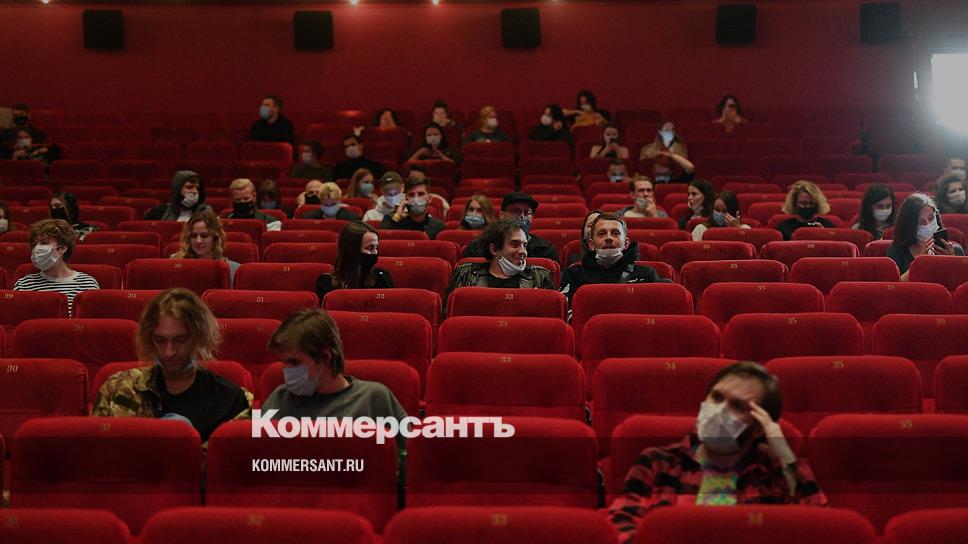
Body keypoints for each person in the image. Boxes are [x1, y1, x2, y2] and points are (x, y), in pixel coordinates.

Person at [607, 361, 828, 544]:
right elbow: (621, 526)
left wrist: (785, 456)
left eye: (738, 406)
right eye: (717, 397)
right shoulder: (658, 462)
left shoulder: (774, 474)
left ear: (758, 427)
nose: (719, 411)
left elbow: (821, 530)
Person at [92, 288, 253, 443]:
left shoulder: (236, 400)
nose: (169, 352)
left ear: (199, 337)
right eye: (160, 340)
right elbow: (96, 454)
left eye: (180, 340)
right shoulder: (117, 389)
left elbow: (254, 457)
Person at [262, 308, 408, 444]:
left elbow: (408, 455)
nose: (286, 370)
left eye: (294, 362)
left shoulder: (374, 398)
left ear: (325, 357)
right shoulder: (279, 400)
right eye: (284, 362)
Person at [559, 213, 665, 308]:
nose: (608, 238)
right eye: (602, 234)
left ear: (626, 243)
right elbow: (568, 313)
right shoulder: (574, 275)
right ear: (591, 244)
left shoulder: (646, 274)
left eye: (615, 233)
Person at [445, 219, 556, 305]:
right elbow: (451, 314)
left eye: (525, 245)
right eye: (515, 245)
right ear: (494, 249)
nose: (523, 251)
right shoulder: (466, 275)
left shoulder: (540, 277)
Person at [14, 219, 99, 316]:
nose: (37, 248)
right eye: (34, 244)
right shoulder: (24, 285)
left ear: (62, 248)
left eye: (44, 242)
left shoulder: (88, 284)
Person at [460, 192, 559, 262]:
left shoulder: (545, 250)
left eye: (527, 212)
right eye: (515, 211)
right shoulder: (477, 247)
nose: (522, 216)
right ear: (502, 215)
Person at [888, 193, 963, 280]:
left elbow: (962, 283)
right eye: (920, 222)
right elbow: (896, 284)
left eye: (931, 218)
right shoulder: (897, 251)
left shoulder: (956, 250)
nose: (927, 224)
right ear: (909, 225)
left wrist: (953, 262)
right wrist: (920, 262)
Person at [315, 221, 393, 301]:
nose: (375, 252)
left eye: (376, 247)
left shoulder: (382, 278)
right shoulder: (326, 282)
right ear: (352, 251)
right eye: (369, 248)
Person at [171, 209, 241, 288]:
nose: (198, 241)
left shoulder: (232, 269)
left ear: (215, 238)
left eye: (204, 236)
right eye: (193, 236)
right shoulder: (175, 263)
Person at [381, 177, 446, 239]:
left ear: (429, 199)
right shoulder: (392, 221)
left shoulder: (438, 226)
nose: (416, 199)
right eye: (411, 195)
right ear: (406, 199)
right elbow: (384, 239)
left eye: (421, 194)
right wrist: (397, 216)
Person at [144, 170, 213, 221]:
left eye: (197, 188)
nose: (195, 191)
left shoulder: (206, 212)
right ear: (177, 190)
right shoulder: (161, 211)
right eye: (189, 187)